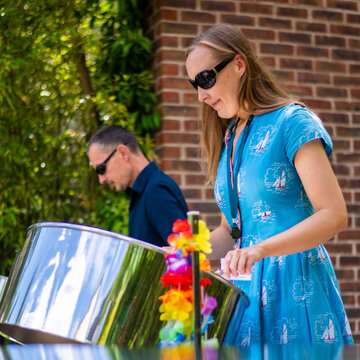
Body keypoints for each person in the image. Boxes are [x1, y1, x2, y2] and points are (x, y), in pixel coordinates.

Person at [185, 24, 353, 346]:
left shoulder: (292, 122)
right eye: (195, 84)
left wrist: (260, 249)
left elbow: (334, 215)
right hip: (245, 297)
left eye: (205, 79)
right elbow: (231, 231)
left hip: (296, 285)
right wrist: (187, 255)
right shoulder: (229, 138)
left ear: (238, 64)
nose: (201, 94)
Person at [87, 125, 188, 247]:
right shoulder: (143, 192)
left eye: (101, 169)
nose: (101, 180)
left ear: (123, 153)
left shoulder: (156, 192)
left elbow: (185, 253)